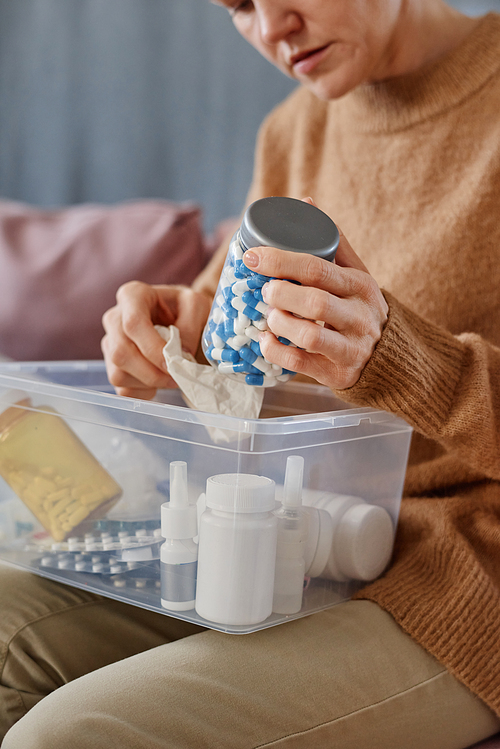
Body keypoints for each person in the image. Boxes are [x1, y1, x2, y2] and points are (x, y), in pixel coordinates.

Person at [2, 0, 500, 746]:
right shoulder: (294, 132)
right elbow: (227, 357)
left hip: (460, 575)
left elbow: (381, 360)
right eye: (238, 5)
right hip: (282, 544)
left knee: (68, 735)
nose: (271, 28)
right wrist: (171, 344)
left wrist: (397, 355)